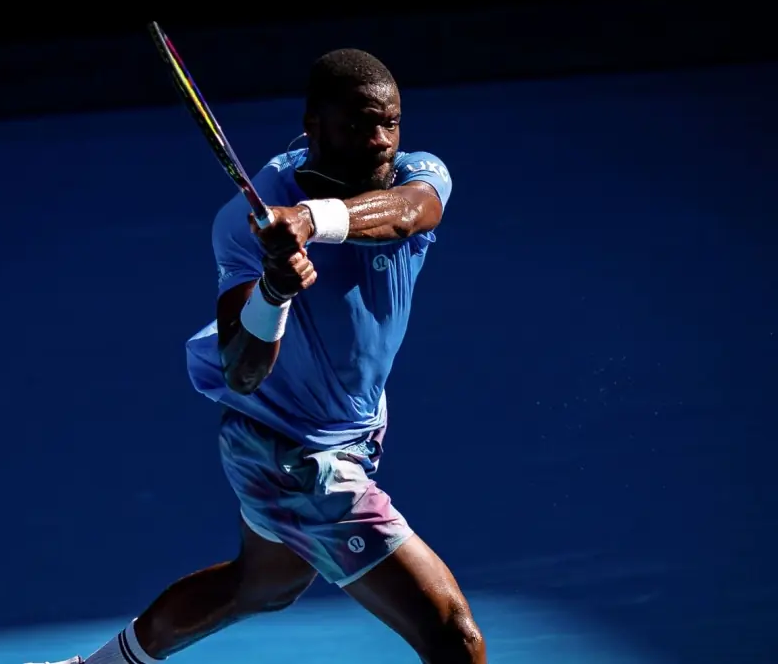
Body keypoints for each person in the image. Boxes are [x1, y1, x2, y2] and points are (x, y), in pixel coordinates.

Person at [30, 48, 485, 664]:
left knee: (261, 586)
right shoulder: (243, 222)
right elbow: (242, 371)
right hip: (295, 453)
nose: (381, 141)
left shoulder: (415, 175)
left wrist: (309, 221)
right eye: (359, 125)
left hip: (347, 427)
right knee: (453, 636)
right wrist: (274, 291)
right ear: (314, 125)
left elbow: (410, 215)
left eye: (391, 123)